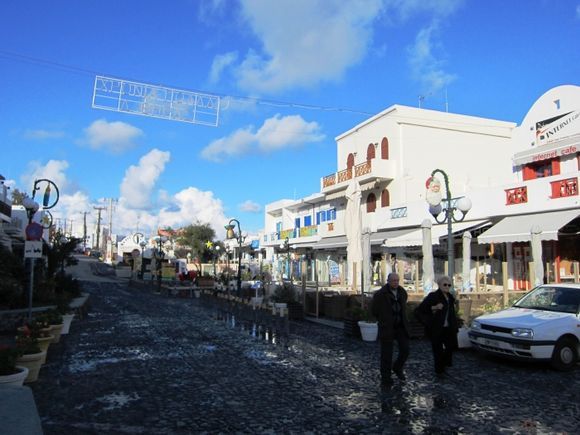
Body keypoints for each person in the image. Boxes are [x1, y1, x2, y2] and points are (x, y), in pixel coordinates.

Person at [414, 276, 459, 378]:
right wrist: (434, 307)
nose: (447, 287)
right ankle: (439, 371)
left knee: (450, 347)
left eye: (449, 285)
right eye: (445, 284)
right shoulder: (433, 296)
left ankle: (444, 365)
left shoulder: (450, 297)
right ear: (439, 285)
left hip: (448, 327)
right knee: (437, 349)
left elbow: (452, 313)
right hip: (436, 327)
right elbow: (421, 309)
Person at [371, 272, 410, 387]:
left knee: (405, 350)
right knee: (386, 353)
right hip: (387, 326)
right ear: (388, 281)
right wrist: (383, 319)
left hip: (401, 326)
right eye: (393, 280)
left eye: (397, 280)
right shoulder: (381, 294)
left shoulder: (402, 292)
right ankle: (386, 377)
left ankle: (397, 367)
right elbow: (375, 310)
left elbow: (404, 305)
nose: (396, 283)